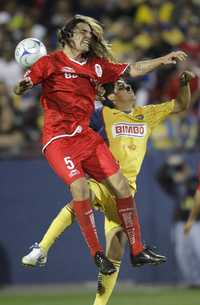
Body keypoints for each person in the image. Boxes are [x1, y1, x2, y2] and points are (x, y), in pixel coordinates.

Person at [14, 14, 187, 275]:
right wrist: (23, 86)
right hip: (59, 140)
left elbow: (133, 69)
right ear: (67, 35)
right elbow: (25, 84)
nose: (88, 36)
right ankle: (96, 253)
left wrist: (162, 60)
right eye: (82, 31)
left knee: (121, 187)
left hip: (86, 137)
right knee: (80, 189)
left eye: (90, 33)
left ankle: (137, 250)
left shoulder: (96, 66)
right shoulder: (49, 62)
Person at [22, 71, 194, 305]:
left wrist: (184, 84)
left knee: (115, 252)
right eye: (122, 86)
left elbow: (182, 104)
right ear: (111, 97)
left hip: (126, 192)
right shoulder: (103, 113)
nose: (128, 88)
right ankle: (41, 248)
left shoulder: (148, 113)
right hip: (104, 181)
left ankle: (99, 304)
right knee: (80, 201)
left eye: (128, 85)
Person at [157, 156, 200, 286]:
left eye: (181, 169)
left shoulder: (194, 180)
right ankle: (194, 282)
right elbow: (160, 177)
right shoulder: (176, 184)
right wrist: (168, 163)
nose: (180, 172)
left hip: (197, 222)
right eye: (177, 170)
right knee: (182, 254)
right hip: (180, 222)